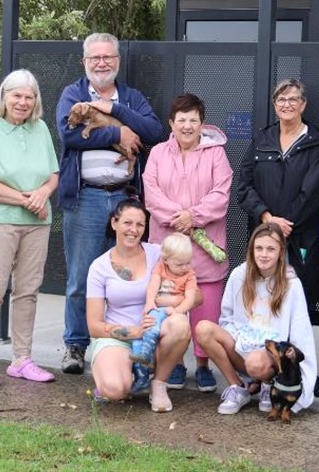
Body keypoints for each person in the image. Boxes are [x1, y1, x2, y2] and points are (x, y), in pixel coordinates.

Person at [56, 33, 162, 375]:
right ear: (84, 62)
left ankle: (128, 341)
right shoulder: (73, 94)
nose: (102, 63)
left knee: (129, 275)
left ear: (117, 60)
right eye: (95, 58)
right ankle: (75, 345)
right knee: (80, 277)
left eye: (108, 57)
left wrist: (115, 111)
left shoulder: (130, 97)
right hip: (85, 195)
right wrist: (118, 135)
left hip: (124, 195)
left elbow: (154, 131)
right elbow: (68, 134)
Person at [237, 78, 319, 398]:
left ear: (303, 105)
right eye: (281, 99)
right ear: (274, 104)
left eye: (293, 99)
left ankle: (300, 374)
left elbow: (313, 193)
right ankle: (262, 372)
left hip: (298, 240)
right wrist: (266, 217)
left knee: (295, 307)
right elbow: (243, 186)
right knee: (262, 305)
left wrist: (282, 226)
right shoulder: (262, 139)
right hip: (264, 238)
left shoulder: (316, 143)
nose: (287, 104)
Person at [0, 69, 59, 387]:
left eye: (29, 97)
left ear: (36, 101)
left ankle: (22, 359)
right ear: (4, 97)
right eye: (16, 95)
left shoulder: (40, 129)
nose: (22, 102)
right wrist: (24, 199)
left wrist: (43, 193)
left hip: (37, 222)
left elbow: (52, 175)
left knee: (28, 291)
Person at [142, 92, 232, 392]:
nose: (187, 125)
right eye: (181, 119)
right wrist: (176, 218)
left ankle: (204, 365)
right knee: (169, 304)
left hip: (205, 245)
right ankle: (176, 363)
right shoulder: (157, 153)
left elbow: (221, 193)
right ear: (171, 122)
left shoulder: (216, 153)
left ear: (202, 123)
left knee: (205, 305)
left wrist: (193, 216)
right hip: (167, 244)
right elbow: (151, 193)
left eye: (194, 119)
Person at [195, 223, 319, 416]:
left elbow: (301, 334)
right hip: (241, 347)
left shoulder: (292, 284)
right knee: (203, 328)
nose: (264, 254)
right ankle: (237, 387)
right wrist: (243, 340)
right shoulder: (239, 275)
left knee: (255, 361)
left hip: (268, 356)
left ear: (281, 252)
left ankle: (268, 384)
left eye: (271, 249)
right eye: (259, 248)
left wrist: (303, 385)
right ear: (251, 249)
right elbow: (226, 319)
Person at [86, 199, 193, 412]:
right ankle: (126, 373)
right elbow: (94, 326)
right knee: (114, 389)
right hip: (117, 337)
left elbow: (195, 295)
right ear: (114, 223)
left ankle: (158, 383)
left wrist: (165, 301)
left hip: (155, 331)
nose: (133, 230)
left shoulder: (158, 254)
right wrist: (135, 331)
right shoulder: (99, 267)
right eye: (127, 223)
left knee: (180, 325)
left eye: (140, 225)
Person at [131, 232, 199, 366]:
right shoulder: (161, 267)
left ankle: (147, 356)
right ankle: (145, 356)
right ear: (166, 259)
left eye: (188, 263)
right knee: (150, 326)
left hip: (174, 312)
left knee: (163, 331)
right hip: (156, 308)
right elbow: (153, 286)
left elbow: (190, 299)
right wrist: (150, 302)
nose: (185, 267)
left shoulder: (190, 275)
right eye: (180, 264)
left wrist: (178, 310)